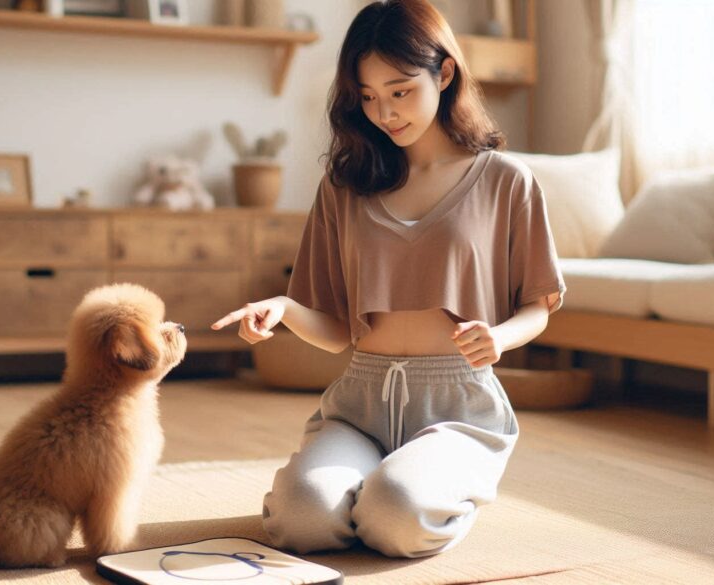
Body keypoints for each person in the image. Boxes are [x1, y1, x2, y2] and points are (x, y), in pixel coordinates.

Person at [211, 0, 565, 559]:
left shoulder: (507, 182)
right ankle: (374, 486)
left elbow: (538, 305)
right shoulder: (344, 187)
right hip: (360, 402)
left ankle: (427, 488)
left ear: (443, 74)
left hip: (459, 407)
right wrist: (283, 307)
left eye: (400, 91)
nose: (385, 112)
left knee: (395, 517)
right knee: (302, 521)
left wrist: (498, 337)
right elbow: (335, 332)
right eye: (368, 96)